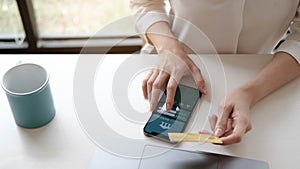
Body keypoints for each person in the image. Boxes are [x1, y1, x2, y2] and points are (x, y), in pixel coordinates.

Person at [130, 0, 300, 145]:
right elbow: (146, 2)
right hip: (173, 67)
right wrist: (169, 48)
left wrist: (251, 92)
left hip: (264, 79)